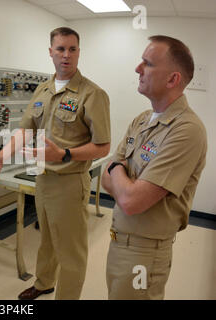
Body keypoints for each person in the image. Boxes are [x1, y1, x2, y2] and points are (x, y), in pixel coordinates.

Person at [0, 27, 111, 300]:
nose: (66, 55)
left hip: (70, 182)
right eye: (61, 49)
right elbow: (26, 130)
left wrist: (65, 154)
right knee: (48, 240)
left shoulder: (92, 94)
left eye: (72, 49)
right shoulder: (43, 89)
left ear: (79, 52)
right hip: (43, 179)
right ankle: (44, 283)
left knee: (71, 251)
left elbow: (103, 146)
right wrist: (2, 156)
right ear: (51, 52)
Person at [102, 35, 207, 300]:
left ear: (172, 79)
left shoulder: (187, 130)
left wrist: (117, 167)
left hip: (144, 254)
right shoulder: (142, 120)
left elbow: (131, 201)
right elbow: (104, 180)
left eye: (147, 64)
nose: (138, 69)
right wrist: (119, 173)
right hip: (118, 242)